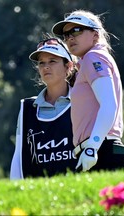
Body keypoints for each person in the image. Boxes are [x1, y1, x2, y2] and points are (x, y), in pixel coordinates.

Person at [51, 10, 124, 172]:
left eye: (77, 30)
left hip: (101, 150)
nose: (70, 38)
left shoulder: (93, 57)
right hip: (98, 149)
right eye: (66, 35)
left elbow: (109, 105)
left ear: (95, 35)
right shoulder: (89, 60)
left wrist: (91, 147)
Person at [10, 35, 77, 179]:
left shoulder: (82, 102)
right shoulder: (27, 107)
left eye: (52, 61)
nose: (46, 66)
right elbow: (19, 156)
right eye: (41, 63)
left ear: (68, 66)